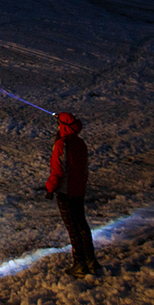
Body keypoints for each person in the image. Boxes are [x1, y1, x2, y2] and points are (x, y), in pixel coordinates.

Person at [44, 112, 100, 277]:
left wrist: (50, 188)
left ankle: (79, 264)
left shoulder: (62, 144)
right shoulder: (80, 143)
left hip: (65, 192)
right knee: (82, 225)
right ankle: (91, 260)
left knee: (73, 228)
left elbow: (58, 170)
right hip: (78, 191)